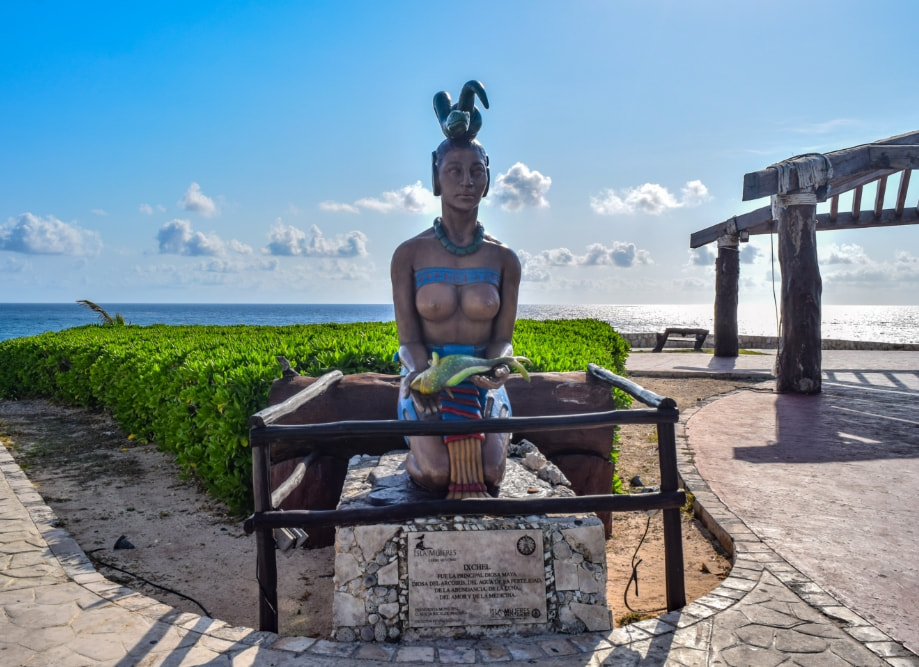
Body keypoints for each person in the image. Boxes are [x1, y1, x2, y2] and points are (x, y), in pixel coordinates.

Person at [391, 81, 521, 500]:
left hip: (482, 381)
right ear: (436, 177)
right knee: (433, 473)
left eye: (476, 171)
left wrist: (498, 367)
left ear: (489, 177)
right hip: (425, 379)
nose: (466, 182)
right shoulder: (409, 255)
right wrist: (417, 377)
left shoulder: (504, 261)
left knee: (488, 472)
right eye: (454, 171)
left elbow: (501, 338)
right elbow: (409, 339)